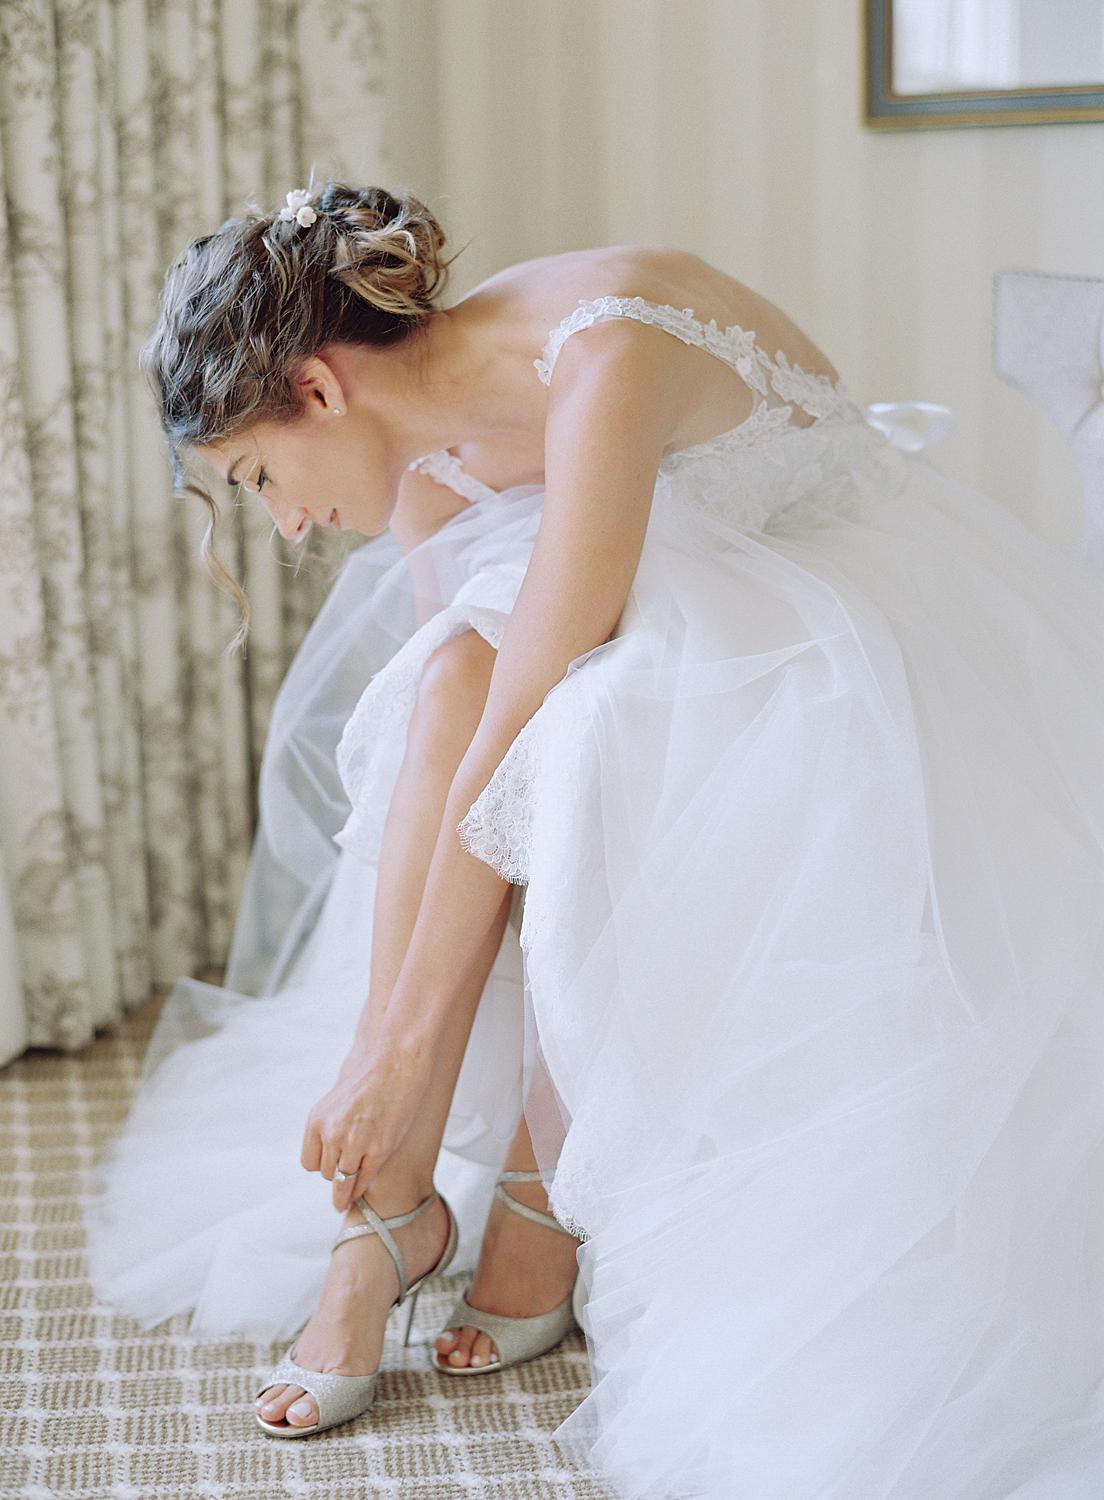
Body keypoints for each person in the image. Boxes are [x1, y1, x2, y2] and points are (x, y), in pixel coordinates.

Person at [83, 178, 1104, 1499]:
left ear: (322, 392)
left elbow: (536, 714)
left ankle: (524, 1183)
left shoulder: (603, 354)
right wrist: (383, 1054)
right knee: (445, 683)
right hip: (627, 597)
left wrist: (402, 1055)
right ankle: (387, 1206)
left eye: (262, 478)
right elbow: (473, 711)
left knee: (596, 735)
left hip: (810, 591)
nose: (286, 524)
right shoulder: (418, 451)